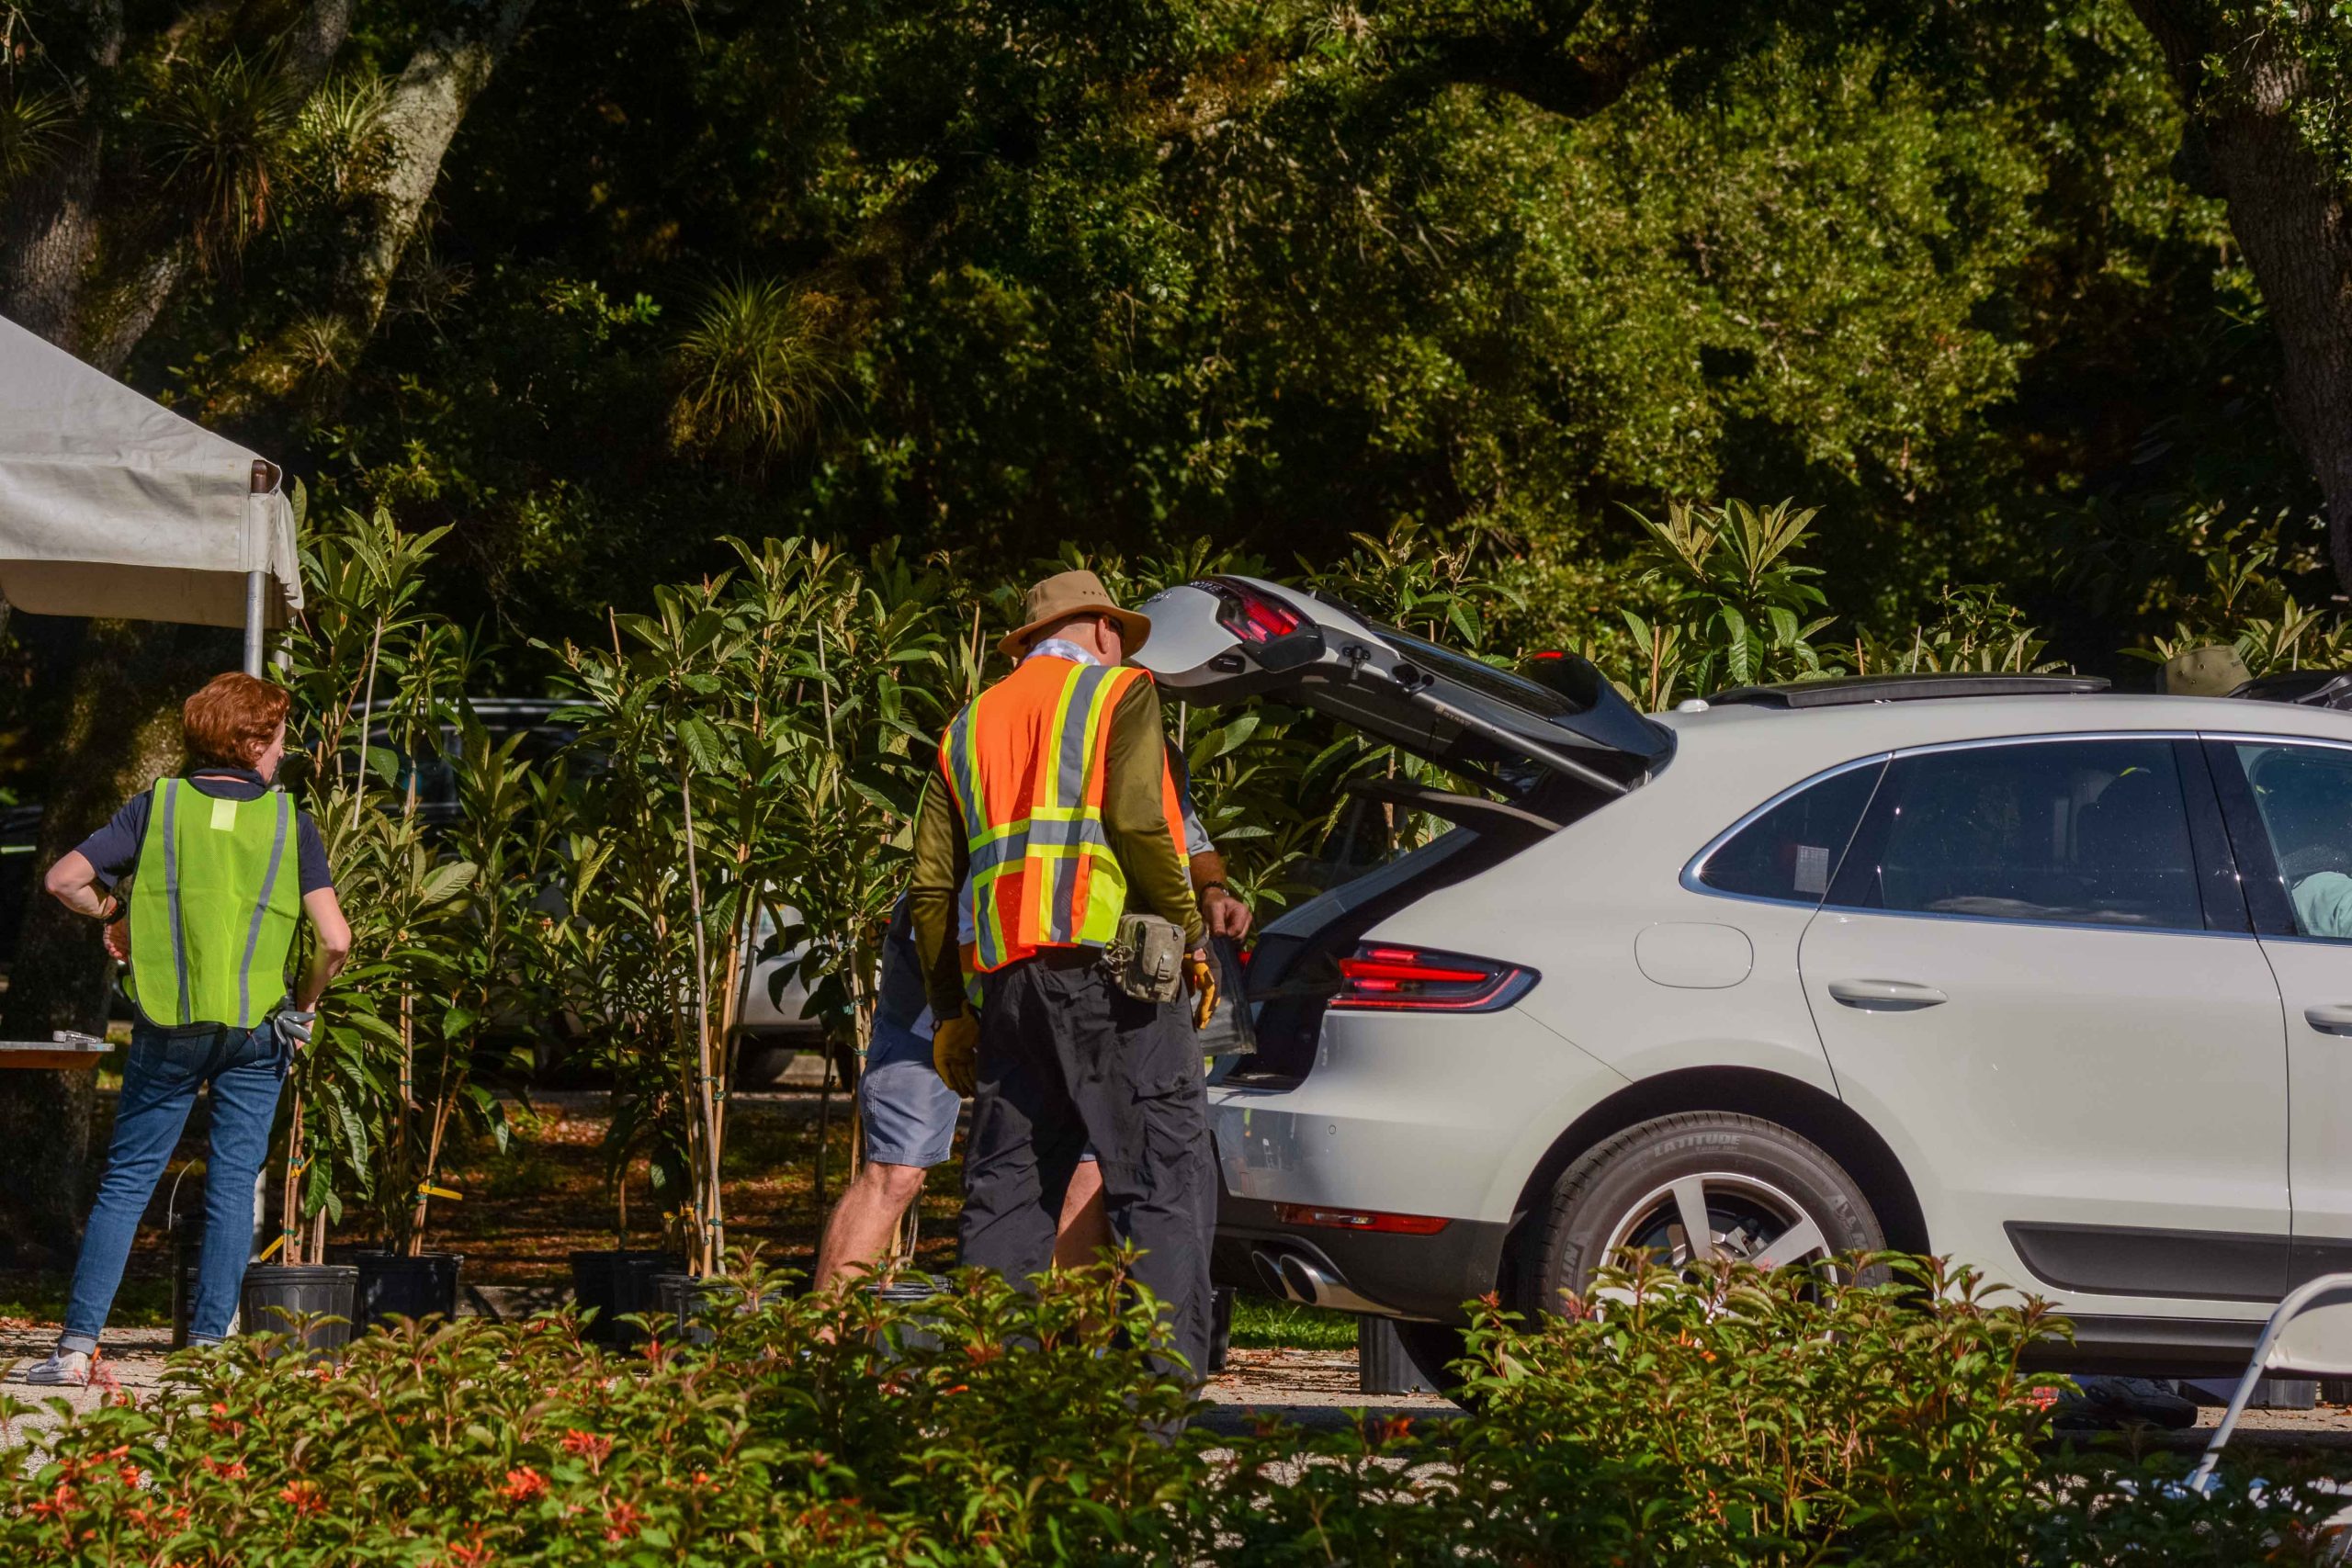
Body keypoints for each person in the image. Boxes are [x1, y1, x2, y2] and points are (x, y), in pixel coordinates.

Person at [910, 569, 1217, 1374]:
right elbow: (1142, 822)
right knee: (1158, 1180)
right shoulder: (1121, 693)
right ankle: (1155, 1413)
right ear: (1104, 629)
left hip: (1010, 989)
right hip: (1117, 978)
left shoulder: (967, 725)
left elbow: (932, 887)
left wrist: (950, 1011)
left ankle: (999, 1394)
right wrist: (1190, 936)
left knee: (1007, 1192)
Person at [22, 673, 351, 1386]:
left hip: (168, 1022)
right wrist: (307, 1002)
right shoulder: (290, 820)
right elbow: (335, 938)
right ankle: (208, 1349)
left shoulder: (158, 807)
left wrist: (116, 915)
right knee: (234, 1184)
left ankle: (77, 1348)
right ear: (251, 741)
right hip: (261, 1029)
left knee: (127, 1183)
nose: (283, 748)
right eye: (279, 735)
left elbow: (62, 881)